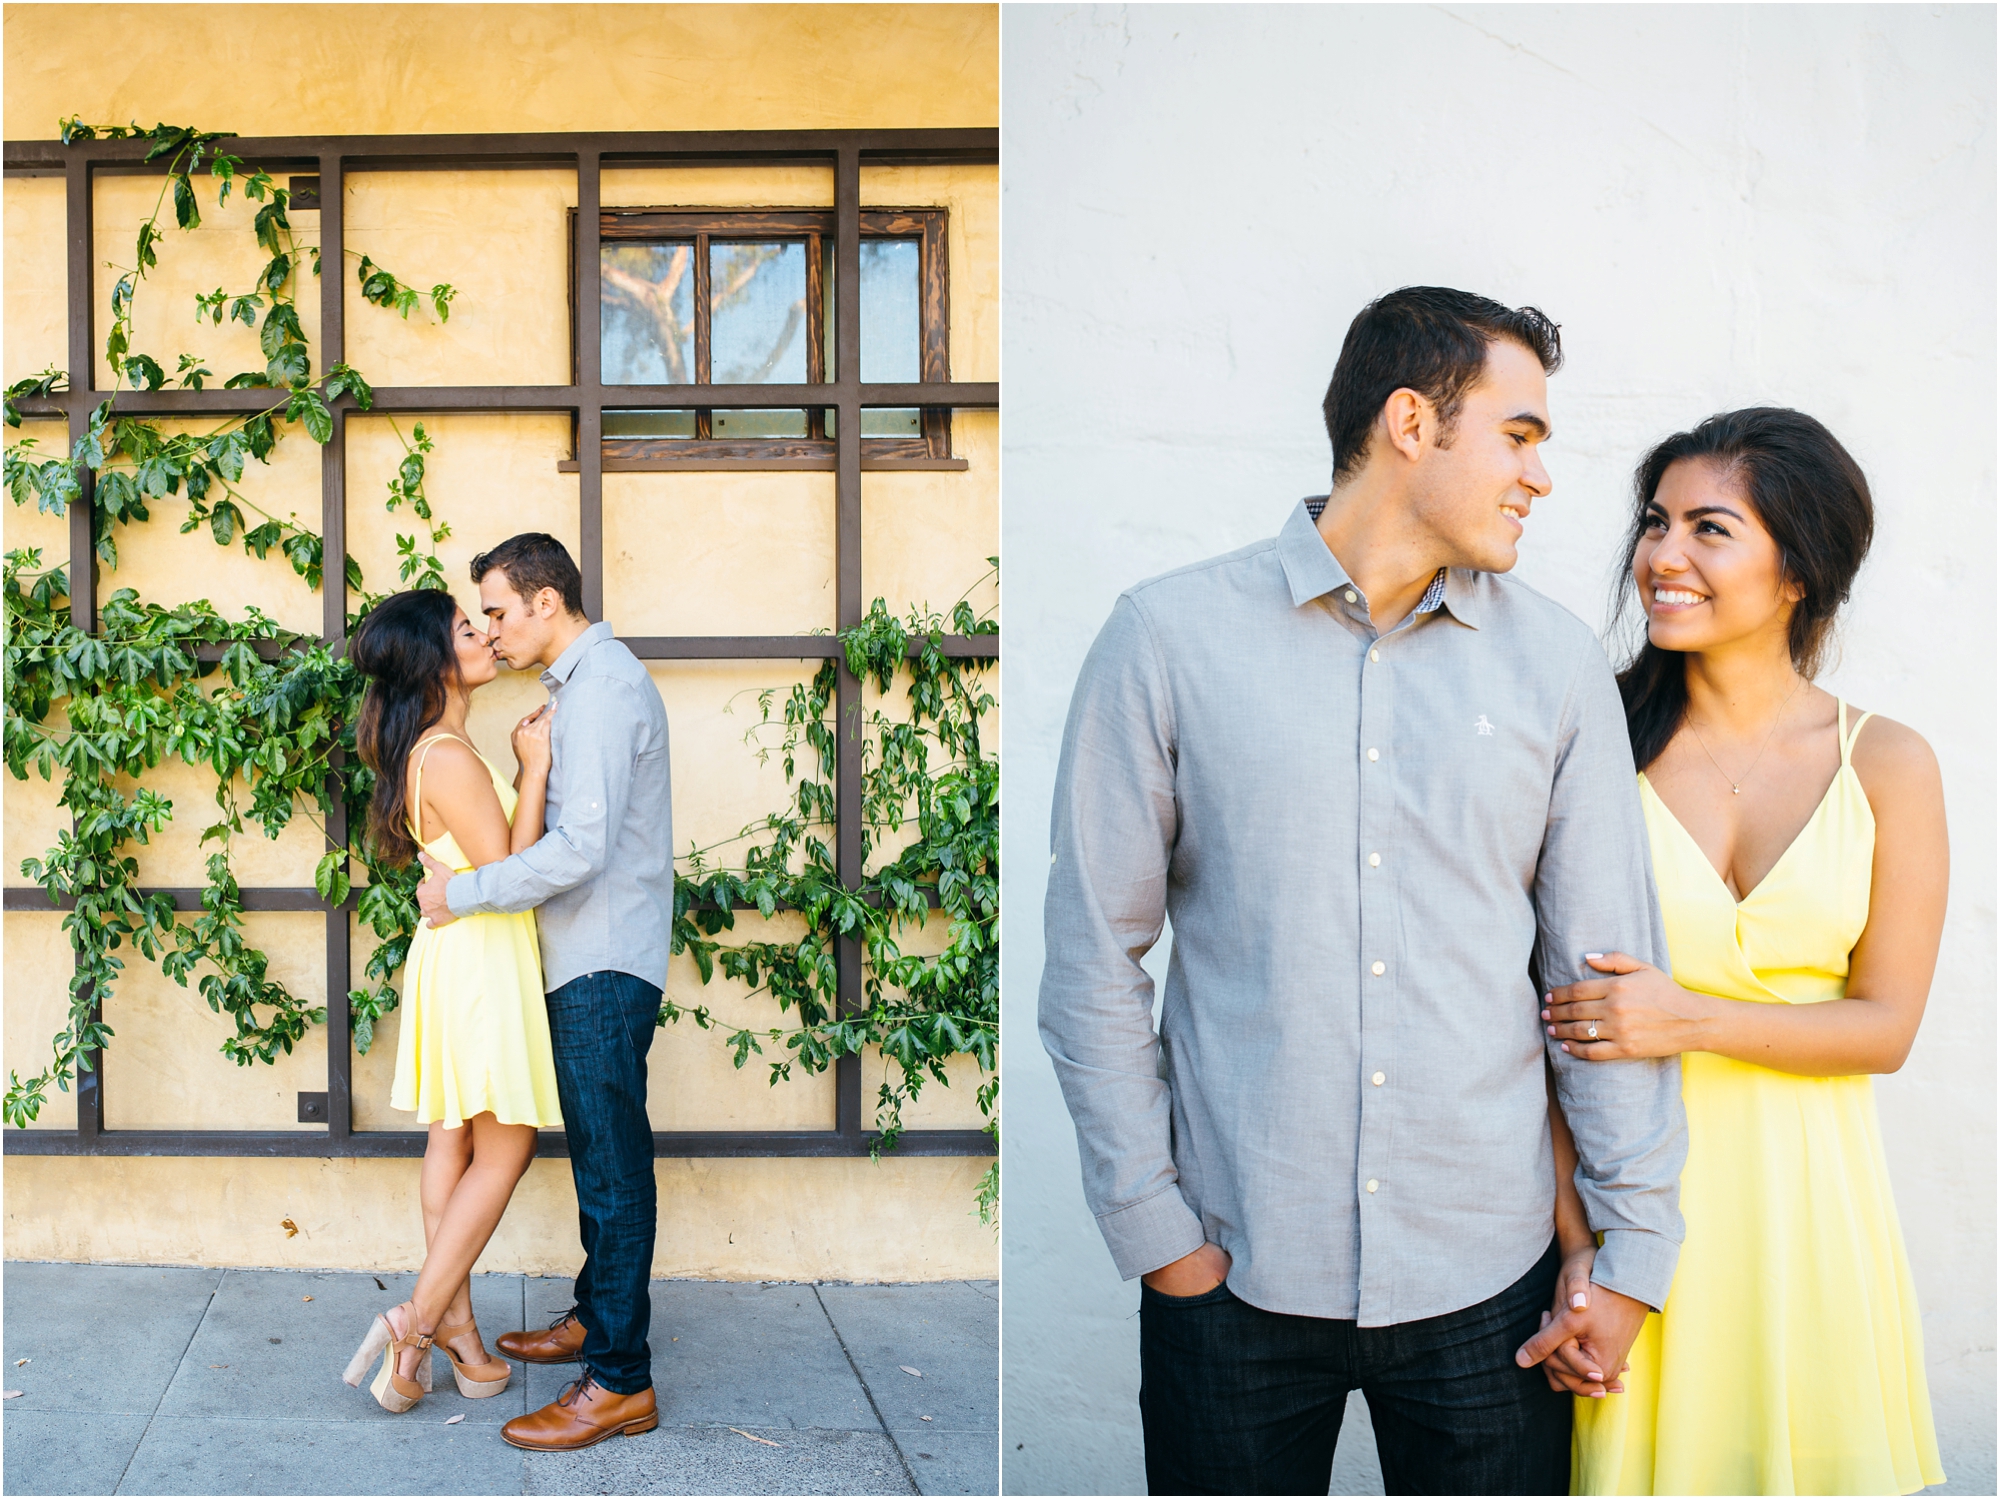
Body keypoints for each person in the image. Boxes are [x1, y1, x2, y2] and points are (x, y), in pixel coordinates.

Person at [1039, 285, 1690, 1497]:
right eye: (1518, 433)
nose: (1538, 477)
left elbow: (1596, 981)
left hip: (1485, 1285)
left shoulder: (1554, 668)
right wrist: (1157, 1234)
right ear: (1409, 421)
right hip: (1230, 1270)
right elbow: (1090, 956)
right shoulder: (1166, 638)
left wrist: (1630, 1250)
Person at [1538, 408, 1947, 1494]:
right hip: (1632, 1225)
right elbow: (1522, 1025)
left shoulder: (1888, 762)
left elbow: (1885, 1025)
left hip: (1812, 1221)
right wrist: (1580, 1247)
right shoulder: (1586, 741)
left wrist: (1691, 1019)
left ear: (1796, 568)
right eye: (1654, 520)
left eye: (1707, 528)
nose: (1660, 556)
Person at [413, 532, 674, 1452]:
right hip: (580, 957)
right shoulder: (576, 688)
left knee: (610, 1167)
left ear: (544, 603)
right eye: (479, 616)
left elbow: (579, 852)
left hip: (602, 958)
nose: (489, 627)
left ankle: (620, 1381)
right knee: (601, 1161)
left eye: (496, 610)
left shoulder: (601, 688)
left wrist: (460, 892)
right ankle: (594, 1322)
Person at [339, 588, 563, 1413]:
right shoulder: (452, 755)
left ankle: (455, 1338)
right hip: (481, 956)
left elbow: (479, 872)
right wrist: (535, 770)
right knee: (504, 1149)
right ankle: (419, 1321)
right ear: (438, 658)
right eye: (470, 629)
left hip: (454, 955)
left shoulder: (424, 749)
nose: (488, 635)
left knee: (453, 1139)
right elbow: (512, 875)